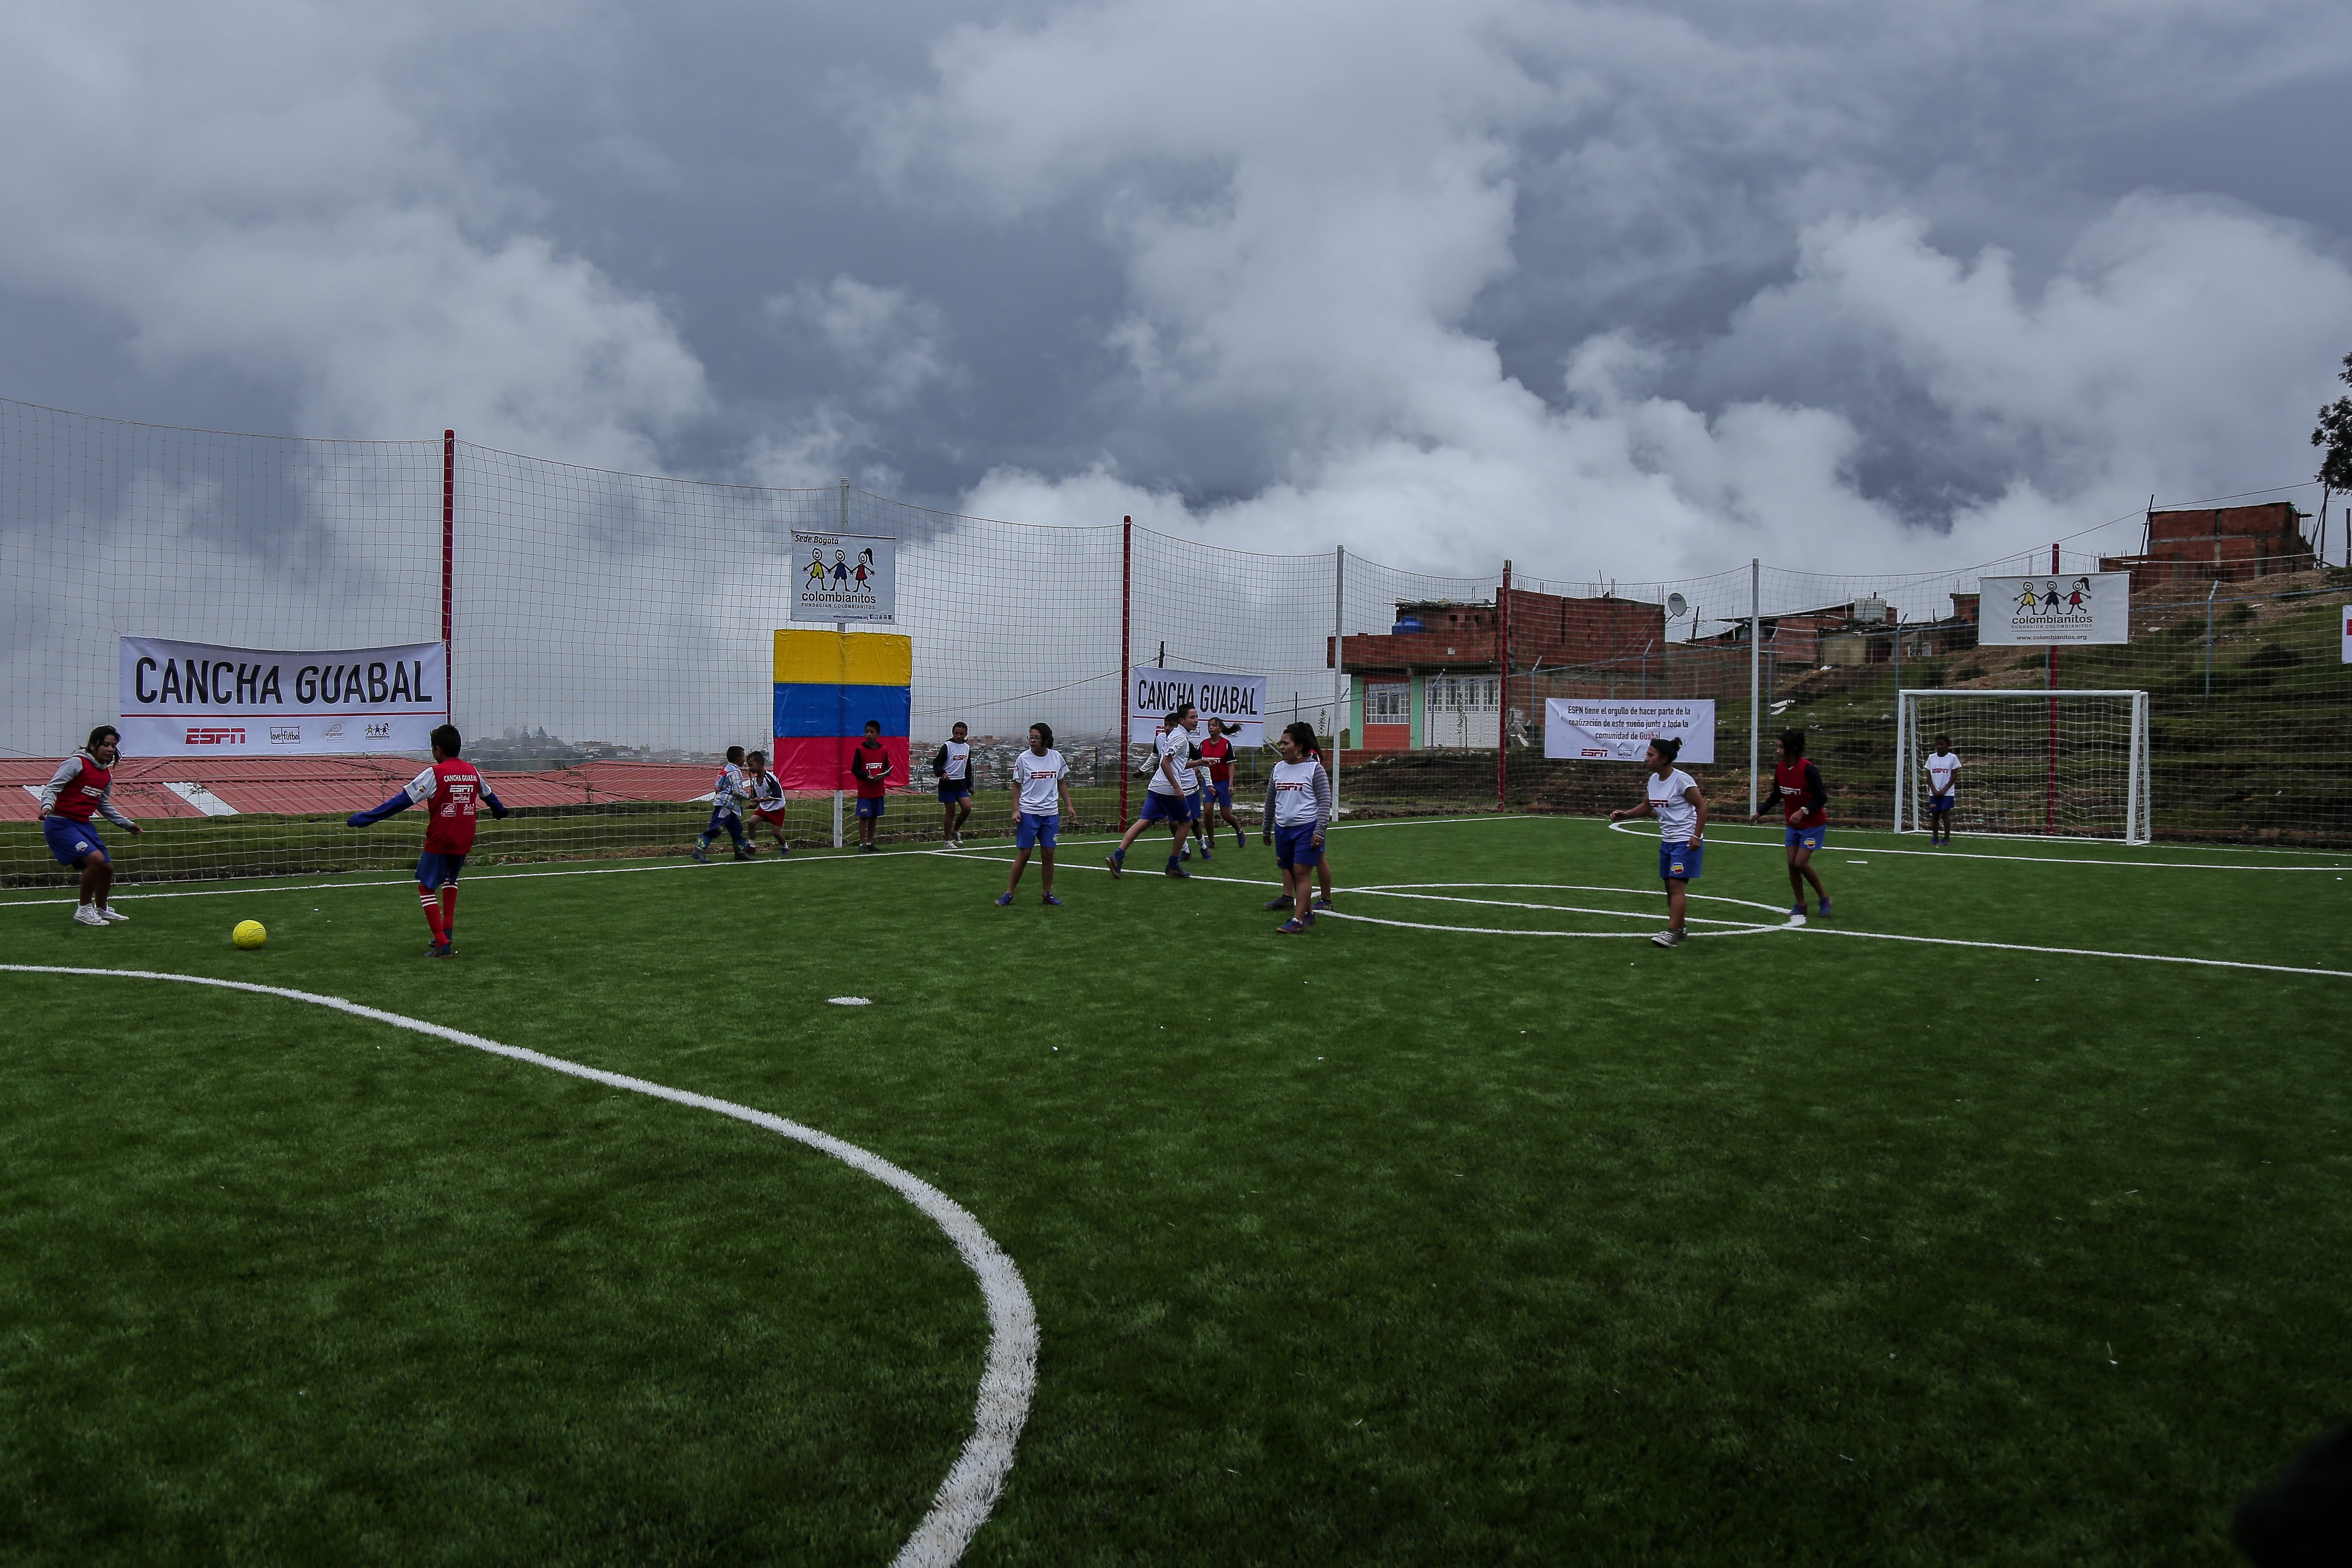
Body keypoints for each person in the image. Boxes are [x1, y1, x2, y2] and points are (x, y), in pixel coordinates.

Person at [345, 723, 507, 957]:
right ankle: (447, 932)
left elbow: (402, 801)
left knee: (426, 887)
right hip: (464, 837)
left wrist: (366, 818)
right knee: (451, 879)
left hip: (441, 837)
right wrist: (501, 812)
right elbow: (490, 796)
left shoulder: (435, 773)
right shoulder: (472, 771)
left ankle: (442, 944)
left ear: (438, 750)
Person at [38, 724, 143, 928]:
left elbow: (103, 805)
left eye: (113, 746)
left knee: (107, 867)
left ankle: (101, 909)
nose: (111, 749)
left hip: (84, 825)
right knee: (95, 861)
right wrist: (47, 806)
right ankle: (84, 910)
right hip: (60, 824)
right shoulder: (77, 763)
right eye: (106, 745)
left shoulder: (106, 775)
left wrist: (126, 824)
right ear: (93, 745)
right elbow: (52, 787)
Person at [1609, 735, 1706, 949]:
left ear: (1664, 759)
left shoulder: (1682, 780)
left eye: (1651, 755)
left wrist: (1696, 836)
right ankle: (1680, 928)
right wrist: (1626, 814)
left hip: (1685, 841)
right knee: (1668, 887)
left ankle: (1671, 933)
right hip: (1668, 841)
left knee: (1676, 885)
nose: (1646, 758)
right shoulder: (1654, 780)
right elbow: (1648, 806)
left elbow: (1702, 808)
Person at [1108, 702, 1200, 879]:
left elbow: (1177, 764)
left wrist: (1200, 763)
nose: (1196, 721)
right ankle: (1173, 865)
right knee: (1186, 823)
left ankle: (1117, 856)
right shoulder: (1180, 738)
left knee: (1144, 822)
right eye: (1192, 717)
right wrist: (1176, 787)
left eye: (1196, 717)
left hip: (1155, 786)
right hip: (1167, 789)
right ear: (1182, 720)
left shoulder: (1175, 735)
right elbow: (1165, 763)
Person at [1750, 727, 1831, 921]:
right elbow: (1777, 795)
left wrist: (1803, 811)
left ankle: (1824, 898)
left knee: (1800, 862)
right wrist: (1760, 812)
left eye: (1781, 747)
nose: (1778, 751)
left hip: (1813, 824)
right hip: (1793, 825)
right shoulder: (1780, 768)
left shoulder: (1809, 769)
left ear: (1792, 749)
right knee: (1791, 864)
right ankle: (1801, 904)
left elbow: (1822, 798)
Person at [1260, 721, 1332, 934]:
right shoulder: (1278, 769)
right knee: (1291, 871)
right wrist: (1266, 828)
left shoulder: (1314, 769)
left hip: (1306, 829)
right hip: (1283, 829)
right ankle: (1309, 913)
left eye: (1286, 743)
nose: (1281, 747)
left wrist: (1319, 831)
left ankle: (1297, 920)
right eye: (1281, 743)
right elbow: (1271, 801)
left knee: (1302, 874)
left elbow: (1325, 801)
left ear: (1299, 746)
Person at [997, 722, 1076, 906]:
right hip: (1029, 813)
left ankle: (1047, 894)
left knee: (1048, 854)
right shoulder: (1023, 759)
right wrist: (1016, 810)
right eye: (1030, 737)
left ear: (1046, 740)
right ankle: (1009, 893)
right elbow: (1016, 786)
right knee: (1024, 854)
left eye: (1036, 738)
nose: (1032, 741)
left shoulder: (1057, 757)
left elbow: (1061, 783)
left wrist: (1069, 806)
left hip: (1051, 814)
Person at [692, 745, 754, 862]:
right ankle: (699, 849)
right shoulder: (735, 772)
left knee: (737, 829)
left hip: (729, 807)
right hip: (726, 806)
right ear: (738, 759)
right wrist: (749, 797)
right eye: (743, 757)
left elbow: (718, 787)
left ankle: (740, 853)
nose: (744, 759)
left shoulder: (726, 769)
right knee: (716, 828)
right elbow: (737, 791)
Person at [1199, 717, 1247, 852]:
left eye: (1214, 726)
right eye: (1209, 725)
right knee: (1208, 812)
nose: (1211, 728)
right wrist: (1191, 774)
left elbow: (1231, 765)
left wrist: (1231, 785)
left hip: (1224, 783)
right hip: (1208, 783)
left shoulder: (1226, 744)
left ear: (1220, 728)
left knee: (1226, 814)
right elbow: (1199, 763)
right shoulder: (1203, 744)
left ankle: (1239, 831)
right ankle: (1211, 840)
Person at [852, 719, 893, 852]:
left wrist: (886, 772)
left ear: (878, 734)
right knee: (864, 816)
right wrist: (866, 776)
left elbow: (885, 765)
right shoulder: (860, 750)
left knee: (874, 816)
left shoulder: (884, 750)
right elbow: (855, 769)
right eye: (867, 732)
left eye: (872, 732)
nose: (869, 734)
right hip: (865, 791)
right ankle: (862, 844)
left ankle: (870, 842)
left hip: (878, 790)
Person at [933, 721, 975, 847]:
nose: (959, 736)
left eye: (962, 734)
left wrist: (969, 785)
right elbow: (937, 763)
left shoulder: (967, 748)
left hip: (961, 783)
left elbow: (968, 767)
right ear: (953, 733)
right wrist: (942, 773)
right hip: (948, 784)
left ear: (966, 734)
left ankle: (955, 830)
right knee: (950, 811)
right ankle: (948, 840)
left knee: (967, 808)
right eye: (957, 733)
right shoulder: (947, 746)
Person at [745, 748, 790, 855]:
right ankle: (751, 846)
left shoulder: (770, 778)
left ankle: (785, 847)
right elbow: (758, 797)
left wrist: (760, 800)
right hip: (765, 808)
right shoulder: (755, 781)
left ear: (761, 764)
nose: (749, 768)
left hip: (777, 809)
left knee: (776, 833)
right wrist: (754, 805)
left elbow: (777, 796)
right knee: (751, 822)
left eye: (751, 765)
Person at [1923, 734, 1961, 845]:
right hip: (1934, 793)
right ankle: (1935, 838)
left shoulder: (1953, 758)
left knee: (1945, 815)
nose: (1939, 746)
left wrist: (1945, 790)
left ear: (1948, 745)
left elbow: (1954, 776)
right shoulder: (1931, 758)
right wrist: (1933, 789)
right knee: (1935, 815)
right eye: (1937, 744)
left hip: (1947, 793)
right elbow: (1929, 775)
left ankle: (1946, 839)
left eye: (1942, 744)